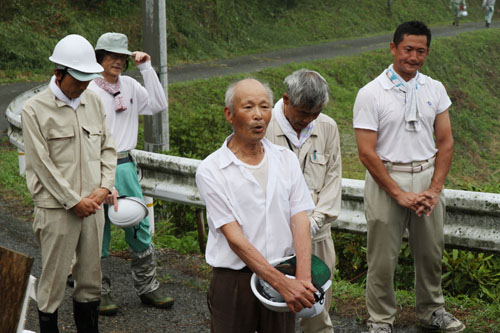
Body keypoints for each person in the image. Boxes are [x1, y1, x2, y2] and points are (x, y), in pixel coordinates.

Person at [353, 21, 465, 332]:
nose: (413, 57)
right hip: (386, 178)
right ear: (393, 48)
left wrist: (435, 188)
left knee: (431, 252)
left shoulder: (435, 89)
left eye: (421, 51)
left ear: (427, 52)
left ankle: (432, 311)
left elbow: (445, 142)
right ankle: (380, 319)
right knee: (382, 258)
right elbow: (366, 152)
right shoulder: (371, 93)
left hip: (427, 176)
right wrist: (398, 193)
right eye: (408, 50)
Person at [196, 78, 317, 332]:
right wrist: (283, 284)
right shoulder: (212, 169)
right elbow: (234, 238)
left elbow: (300, 218)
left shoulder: (285, 160)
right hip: (235, 282)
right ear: (229, 114)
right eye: (248, 107)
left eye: (264, 107)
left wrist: (302, 279)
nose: (258, 116)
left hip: (284, 271)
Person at [22, 34, 116, 333]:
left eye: (88, 78)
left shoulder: (94, 101)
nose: (84, 85)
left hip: (93, 205)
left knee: (90, 280)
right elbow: (41, 165)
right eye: (78, 79)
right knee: (53, 281)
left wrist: (104, 187)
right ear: (58, 74)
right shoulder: (34, 110)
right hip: (56, 209)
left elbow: (109, 148)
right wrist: (73, 201)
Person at [87, 32, 172, 314]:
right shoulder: (89, 90)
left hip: (125, 164)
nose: (118, 62)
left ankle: (148, 287)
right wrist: (101, 178)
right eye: (112, 56)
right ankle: (98, 291)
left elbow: (159, 105)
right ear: (99, 58)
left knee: (139, 226)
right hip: (97, 165)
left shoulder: (131, 85)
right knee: (98, 231)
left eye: (122, 56)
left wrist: (147, 68)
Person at [266, 69, 341, 333]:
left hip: (317, 231)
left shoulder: (327, 127)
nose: (308, 120)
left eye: (314, 114)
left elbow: (333, 177)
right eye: (302, 114)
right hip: (273, 233)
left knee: (316, 304)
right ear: (286, 100)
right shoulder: (264, 126)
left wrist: (316, 220)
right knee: (272, 302)